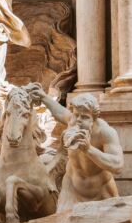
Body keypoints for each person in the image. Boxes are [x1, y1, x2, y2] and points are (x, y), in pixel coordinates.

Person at [28, 84, 123, 212]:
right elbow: (60, 111)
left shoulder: (105, 132)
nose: (78, 120)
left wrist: (89, 149)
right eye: (76, 115)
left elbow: (117, 165)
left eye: (84, 117)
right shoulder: (72, 121)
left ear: (94, 118)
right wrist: (43, 96)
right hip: (71, 190)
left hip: (102, 192)